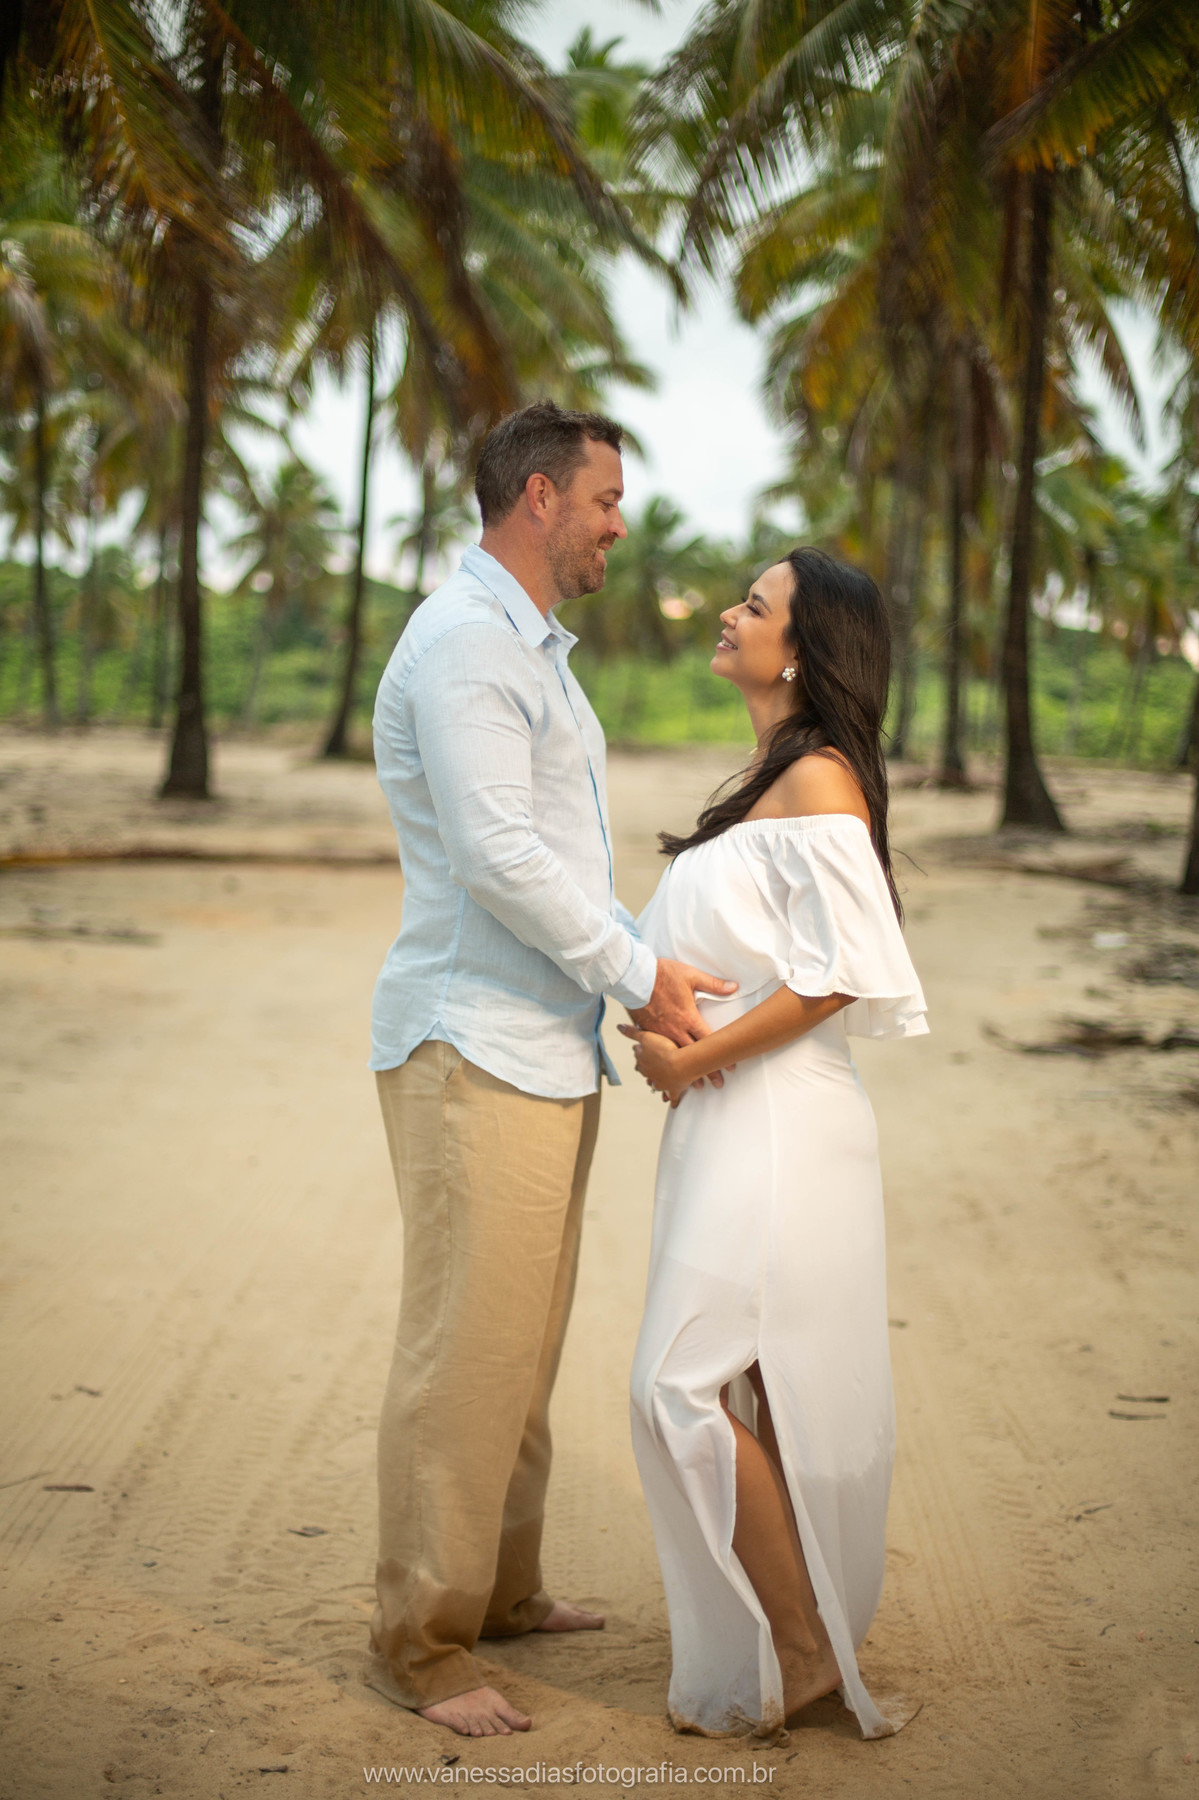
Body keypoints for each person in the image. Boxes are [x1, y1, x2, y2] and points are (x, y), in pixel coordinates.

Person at [367, 400, 735, 1739]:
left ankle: (504, 1591)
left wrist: (650, 966)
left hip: (537, 1047)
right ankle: (420, 1644)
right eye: (605, 500)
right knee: (465, 1353)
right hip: (471, 1044)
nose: (618, 526)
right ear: (539, 496)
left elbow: (565, 863)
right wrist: (639, 975)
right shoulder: (470, 643)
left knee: (518, 1346)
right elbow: (500, 858)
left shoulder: (529, 650)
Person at [620, 547, 927, 1741]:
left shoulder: (821, 780)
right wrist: (660, 1015)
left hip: (778, 1121)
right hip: (728, 1117)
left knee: (677, 1383)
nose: (729, 613)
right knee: (749, 1384)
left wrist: (687, 1060)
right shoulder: (766, 779)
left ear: (803, 649)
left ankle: (800, 1650)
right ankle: (801, 1638)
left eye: (755, 605)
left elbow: (838, 976)